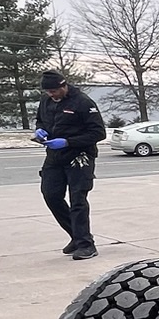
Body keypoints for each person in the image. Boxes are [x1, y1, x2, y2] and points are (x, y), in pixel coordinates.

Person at [33, 71, 107, 259]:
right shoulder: (46, 101)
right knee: (51, 195)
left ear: (63, 86)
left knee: (78, 200)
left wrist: (68, 142)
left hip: (79, 156)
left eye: (54, 91)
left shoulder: (83, 102)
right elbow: (41, 120)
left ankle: (86, 245)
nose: (52, 95)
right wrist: (40, 131)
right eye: (48, 92)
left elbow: (99, 133)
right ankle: (76, 235)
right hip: (54, 157)